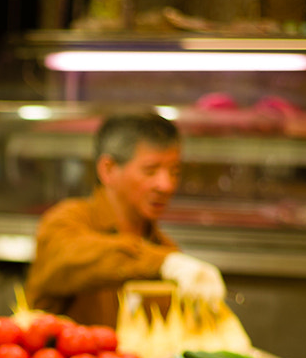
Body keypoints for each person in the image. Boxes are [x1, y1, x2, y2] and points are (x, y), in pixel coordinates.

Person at [25, 113, 226, 327]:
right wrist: (163, 263)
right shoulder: (66, 221)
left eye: (174, 172)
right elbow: (65, 257)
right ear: (108, 169)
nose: (166, 185)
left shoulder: (165, 248)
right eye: (151, 171)